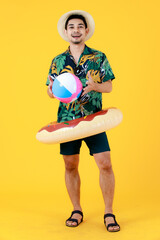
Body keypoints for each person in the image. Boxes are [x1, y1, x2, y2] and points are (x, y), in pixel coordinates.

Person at [46, 10, 120, 232]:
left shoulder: (99, 57)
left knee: (105, 164)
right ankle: (77, 209)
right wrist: (51, 90)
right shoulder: (57, 61)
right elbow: (50, 92)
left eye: (80, 27)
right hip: (67, 121)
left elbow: (109, 86)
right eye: (72, 27)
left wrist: (95, 86)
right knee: (70, 165)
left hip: (94, 118)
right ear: (66, 31)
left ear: (86, 31)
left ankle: (109, 212)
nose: (76, 30)